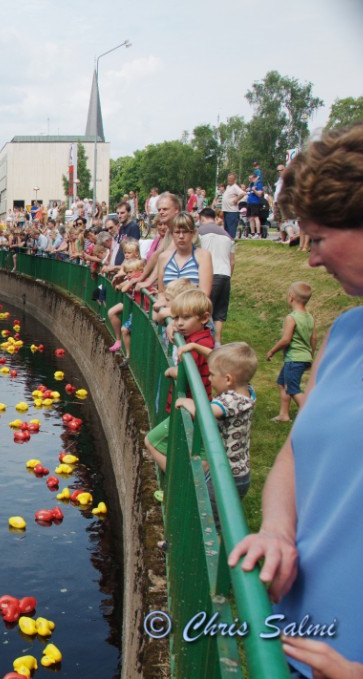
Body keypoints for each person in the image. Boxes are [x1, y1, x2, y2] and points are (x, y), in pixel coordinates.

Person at [227, 117, 363, 679]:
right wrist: (276, 529)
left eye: (317, 239)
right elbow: (294, 453)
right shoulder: (344, 335)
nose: (309, 257)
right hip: (295, 646)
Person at [144, 289, 216, 473]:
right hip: (192, 405)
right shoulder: (199, 337)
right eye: (176, 318)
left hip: (190, 408)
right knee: (193, 447)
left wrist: (172, 371)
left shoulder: (198, 346)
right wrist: (172, 327)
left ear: (204, 318)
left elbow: (188, 373)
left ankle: (173, 477)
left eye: (185, 318)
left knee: (150, 441)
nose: (180, 323)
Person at [174, 341, 257, 499]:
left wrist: (188, 402)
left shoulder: (230, 401)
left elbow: (204, 413)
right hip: (240, 472)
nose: (209, 378)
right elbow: (218, 360)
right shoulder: (246, 391)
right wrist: (195, 347)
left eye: (212, 374)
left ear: (227, 379)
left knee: (213, 516)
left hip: (226, 475)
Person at [265, 281, 316, 423]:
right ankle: (284, 415)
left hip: (294, 359)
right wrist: (310, 357)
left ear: (291, 297)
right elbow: (314, 338)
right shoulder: (310, 317)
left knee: (293, 389)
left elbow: (286, 340)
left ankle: (309, 415)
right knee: (282, 383)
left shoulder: (291, 317)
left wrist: (272, 351)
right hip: (302, 358)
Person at [198, 208, 235, 345]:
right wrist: (229, 275)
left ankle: (206, 339)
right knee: (220, 312)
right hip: (225, 275)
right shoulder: (227, 235)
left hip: (209, 274)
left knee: (204, 308)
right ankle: (217, 342)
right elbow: (232, 261)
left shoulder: (201, 232)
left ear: (202, 218)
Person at [221, 173, 246, 240]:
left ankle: (231, 240)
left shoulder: (235, 187)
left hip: (232, 211)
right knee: (226, 228)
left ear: (234, 180)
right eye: (228, 179)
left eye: (231, 179)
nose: (229, 180)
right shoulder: (228, 187)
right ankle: (227, 241)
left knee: (231, 227)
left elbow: (242, 193)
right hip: (226, 210)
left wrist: (236, 200)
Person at [246, 169, 265, 238]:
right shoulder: (251, 184)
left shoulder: (258, 183)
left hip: (255, 202)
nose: (249, 179)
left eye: (250, 178)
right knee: (251, 218)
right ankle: (252, 232)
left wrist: (254, 190)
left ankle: (258, 233)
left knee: (256, 217)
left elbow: (260, 194)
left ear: (254, 177)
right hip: (250, 203)